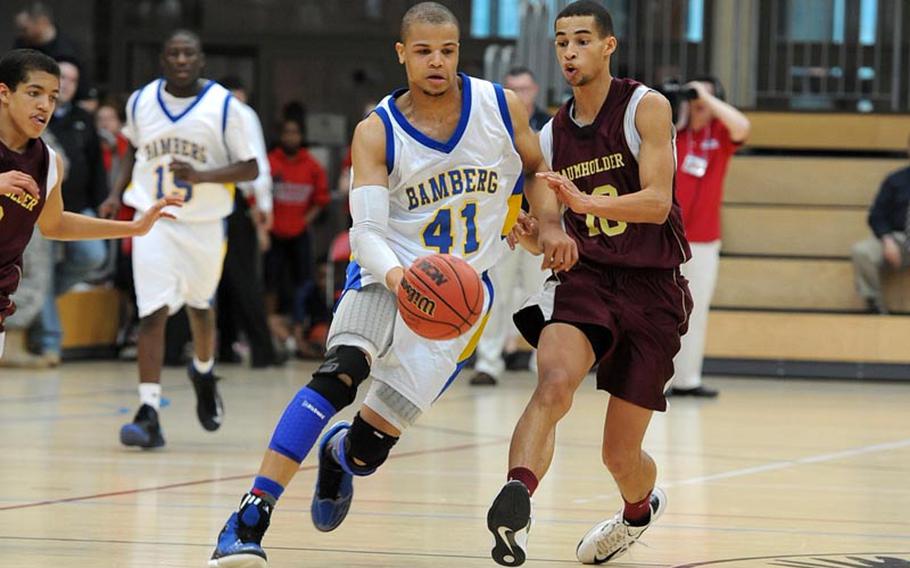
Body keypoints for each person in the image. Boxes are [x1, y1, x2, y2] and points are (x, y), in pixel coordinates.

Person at [207, 3, 576, 566]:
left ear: (459, 53)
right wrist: (406, 279)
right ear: (402, 54)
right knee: (339, 375)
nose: (437, 62)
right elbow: (367, 233)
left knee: (367, 452)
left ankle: (340, 453)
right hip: (390, 271)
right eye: (424, 51)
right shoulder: (376, 131)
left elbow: (535, 170)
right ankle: (249, 518)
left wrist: (546, 224)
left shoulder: (501, 107)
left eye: (447, 51)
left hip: (464, 297)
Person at [485, 2, 692, 565]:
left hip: (652, 286)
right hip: (587, 280)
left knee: (620, 457)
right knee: (552, 383)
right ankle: (516, 497)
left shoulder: (645, 108)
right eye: (560, 43)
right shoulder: (552, 133)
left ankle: (638, 509)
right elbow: (551, 222)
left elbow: (657, 203)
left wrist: (580, 201)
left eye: (581, 40)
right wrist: (542, 236)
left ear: (608, 46)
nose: (569, 52)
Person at [98, 30, 259, 449]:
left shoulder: (225, 107)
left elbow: (250, 168)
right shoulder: (141, 101)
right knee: (152, 311)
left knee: (201, 308)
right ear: (163, 59)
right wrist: (116, 196)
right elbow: (132, 151)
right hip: (154, 219)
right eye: (174, 53)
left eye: (189, 53)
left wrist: (203, 175)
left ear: (201, 60)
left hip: (204, 223)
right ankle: (148, 411)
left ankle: (203, 373)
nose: (182, 59)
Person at [0, 48, 178, 360]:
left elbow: (55, 224)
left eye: (53, 97)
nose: (45, 105)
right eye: (34, 93)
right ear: (4, 93)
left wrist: (133, 227)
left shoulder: (48, 162)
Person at [667, 77, 750, 398]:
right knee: (664, 309)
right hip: (667, 237)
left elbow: (743, 125)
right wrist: (682, 110)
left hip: (703, 239)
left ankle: (688, 379)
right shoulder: (674, 132)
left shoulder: (720, 135)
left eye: (704, 95)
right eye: (693, 95)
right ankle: (662, 378)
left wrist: (707, 98)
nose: (698, 100)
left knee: (695, 309)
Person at [470, 66, 550, 386]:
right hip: (503, 221)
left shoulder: (551, 126)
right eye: (512, 88)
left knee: (541, 294)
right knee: (497, 294)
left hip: (542, 222)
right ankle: (489, 363)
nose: (520, 95)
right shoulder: (492, 125)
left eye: (525, 88)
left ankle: (542, 361)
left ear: (536, 91)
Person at [30, 56, 110, 364]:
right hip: (41, 210)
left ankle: (41, 300)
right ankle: (50, 342)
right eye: (61, 78)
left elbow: (96, 165)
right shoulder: (37, 115)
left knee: (94, 256)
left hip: (78, 206)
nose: (66, 85)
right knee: (44, 272)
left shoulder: (83, 118)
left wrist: (103, 200)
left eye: (73, 80)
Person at [215, 76, 278, 368]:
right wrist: (263, 209)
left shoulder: (211, 111)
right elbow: (258, 166)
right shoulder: (242, 113)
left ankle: (225, 347)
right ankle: (262, 350)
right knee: (242, 277)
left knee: (217, 276)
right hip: (238, 199)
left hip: (212, 196)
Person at [264, 117, 331, 359]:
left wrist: (305, 220)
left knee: (304, 282)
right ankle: (269, 332)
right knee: (270, 283)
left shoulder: (312, 166)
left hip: (299, 233)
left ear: (301, 137)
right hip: (274, 233)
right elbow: (259, 196)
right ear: (281, 136)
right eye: (287, 132)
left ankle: (300, 329)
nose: (291, 137)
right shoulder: (270, 163)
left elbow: (321, 199)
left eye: (295, 133)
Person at [851, 135, 910, 315]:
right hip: (900, 239)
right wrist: (887, 240)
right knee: (862, 251)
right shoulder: (894, 180)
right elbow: (876, 216)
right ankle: (875, 305)